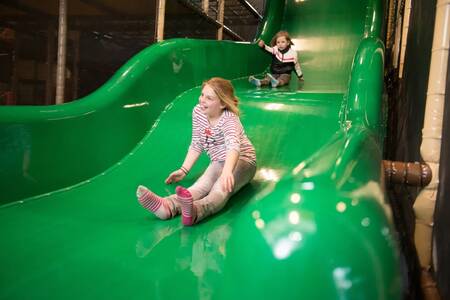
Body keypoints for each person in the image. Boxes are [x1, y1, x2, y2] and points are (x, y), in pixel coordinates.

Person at [136, 77, 257, 226]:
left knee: (220, 188)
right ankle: (167, 207)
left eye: (209, 98)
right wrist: (184, 169)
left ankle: (196, 212)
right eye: (202, 95)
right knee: (201, 186)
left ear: (223, 103)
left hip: (243, 160)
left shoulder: (229, 119)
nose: (202, 100)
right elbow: (197, 142)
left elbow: (233, 146)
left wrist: (227, 172)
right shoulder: (198, 112)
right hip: (219, 160)